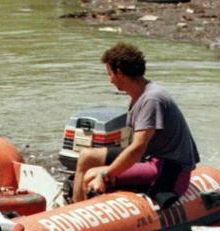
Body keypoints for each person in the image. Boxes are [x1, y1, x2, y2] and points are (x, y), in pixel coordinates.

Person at [73, 42, 200, 204]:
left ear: (119, 72)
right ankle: (73, 209)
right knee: (86, 156)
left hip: (168, 168)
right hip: (150, 158)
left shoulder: (151, 99)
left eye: (109, 74)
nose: (110, 80)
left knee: (91, 175)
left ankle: (87, 221)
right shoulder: (139, 95)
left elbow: (138, 147)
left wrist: (106, 175)